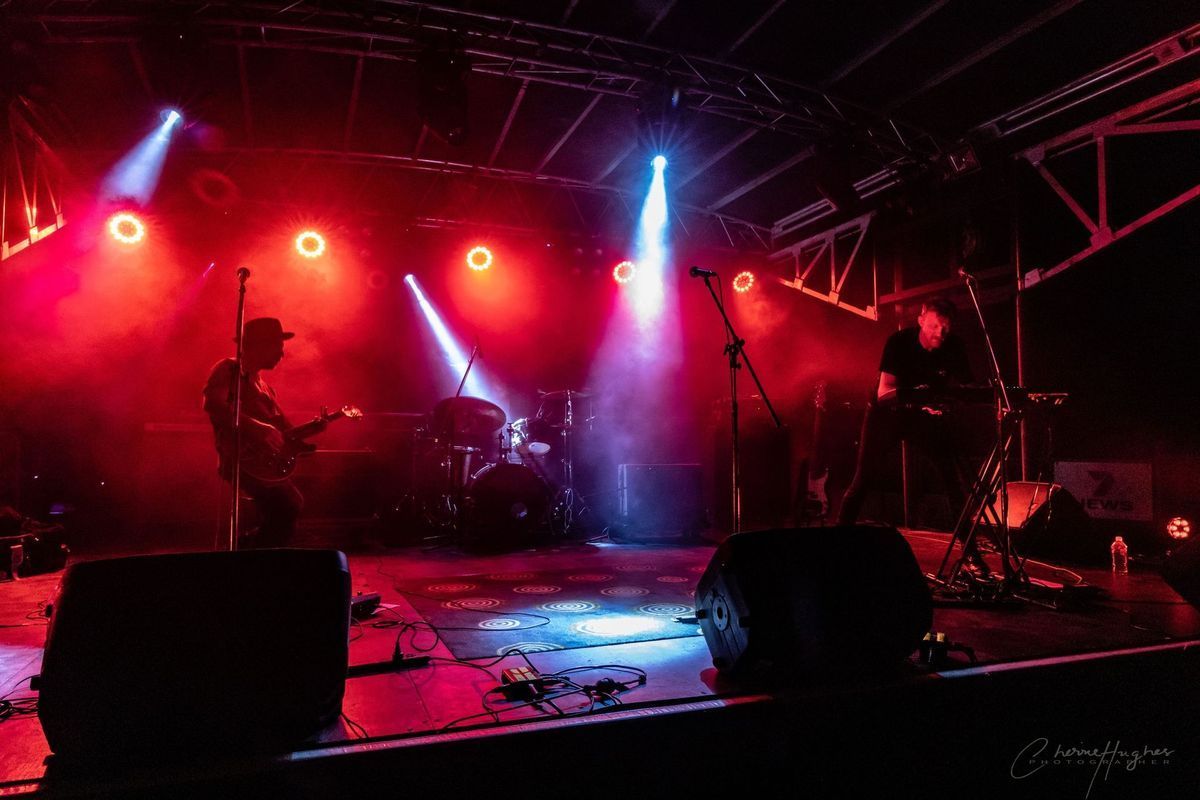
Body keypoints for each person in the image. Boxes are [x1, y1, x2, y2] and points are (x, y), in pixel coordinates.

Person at [835, 299, 990, 571]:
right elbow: (884, 393)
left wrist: (963, 397)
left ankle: (970, 555)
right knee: (863, 480)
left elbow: (965, 387)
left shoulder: (954, 347)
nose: (939, 333)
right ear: (921, 320)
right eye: (933, 326)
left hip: (923, 417)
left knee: (953, 481)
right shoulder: (899, 342)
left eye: (945, 328)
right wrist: (920, 397)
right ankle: (834, 547)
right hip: (887, 418)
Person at [202, 317, 316, 548]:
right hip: (238, 459)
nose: (281, 354)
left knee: (289, 504)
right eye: (278, 347)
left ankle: (255, 552)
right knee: (288, 504)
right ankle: (247, 551)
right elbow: (212, 404)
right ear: (260, 345)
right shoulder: (228, 369)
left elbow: (285, 431)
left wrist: (313, 428)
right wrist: (256, 426)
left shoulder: (265, 387)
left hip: (263, 463)